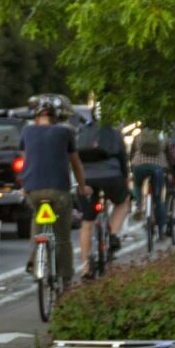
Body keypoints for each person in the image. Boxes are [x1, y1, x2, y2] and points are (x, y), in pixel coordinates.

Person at [20, 95, 92, 287]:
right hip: (59, 190)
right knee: (62, 237)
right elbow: (75, 163)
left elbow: (26, 161)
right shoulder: (65, 132)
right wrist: (82, 187)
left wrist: (24, 186)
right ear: (56, 118)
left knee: (37, 219)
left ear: (36, 118)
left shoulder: (27, 132)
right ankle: (65, 278)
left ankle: (34, 260)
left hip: (33, 190)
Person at [72, 111, 130, 278]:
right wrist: (125, 180)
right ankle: (113, 235)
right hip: (111, 176)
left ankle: (85, 269)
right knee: (123, 202)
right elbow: (123, 159)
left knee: (87, 222)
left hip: (86, 179)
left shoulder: (82, 131)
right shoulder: (114, 132)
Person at [130, 127, 173, 237]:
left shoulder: (138, 136)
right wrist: (169, 171)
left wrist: (132, 169)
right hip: (157, 168)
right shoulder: (163, 136)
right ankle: (161, 230)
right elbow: (169, 155)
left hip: (139, 165)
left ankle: (138, 205)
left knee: (137, 185)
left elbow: (131, 154)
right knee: (158, 199)